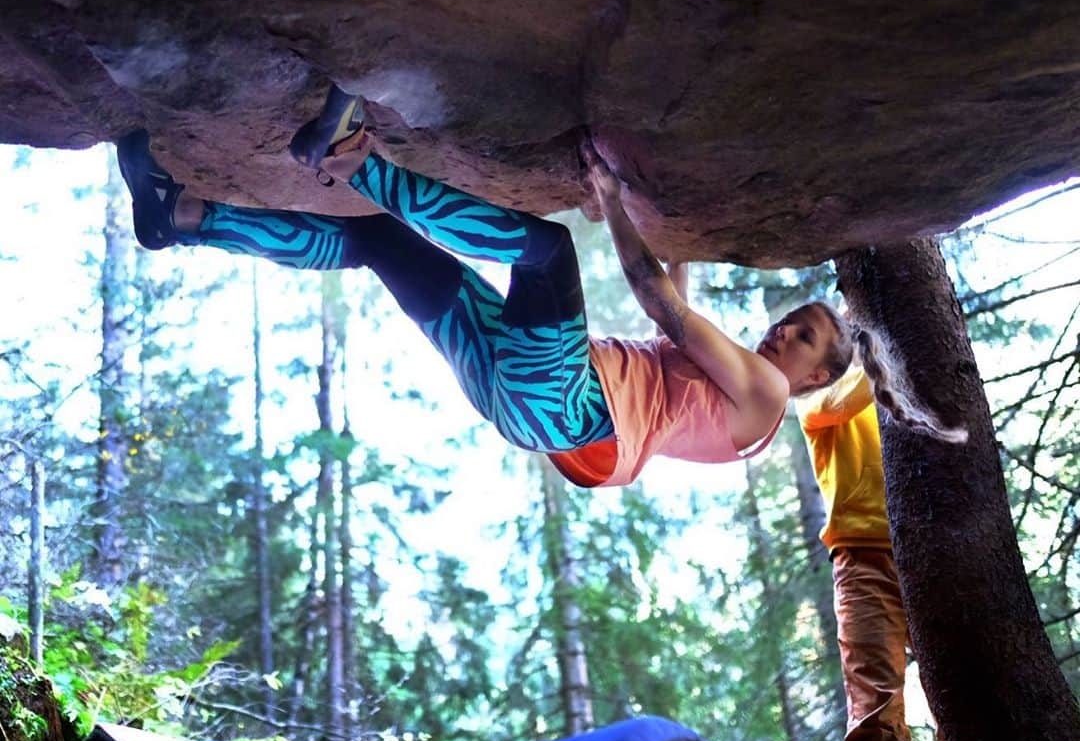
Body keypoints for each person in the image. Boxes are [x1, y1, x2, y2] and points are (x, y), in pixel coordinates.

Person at [116, 85, 964, 488]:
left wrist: (610, 202)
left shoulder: (769, 395)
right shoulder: (734, 393)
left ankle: (347, 156)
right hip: (526, 402)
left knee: (548, 254)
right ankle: (182, 217)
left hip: (568, 406)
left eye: (809, 335)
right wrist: (666, 224)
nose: (789, 332)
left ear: (818, 378)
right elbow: (682, 301)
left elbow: (661, 302)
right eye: (796, 319)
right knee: (383, 249)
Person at [797, 366, 957, 741]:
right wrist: (879, 343)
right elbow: (840, 399)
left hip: (930, 552)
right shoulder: (814, 396)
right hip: (862, 562)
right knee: (875, 708)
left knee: (958, 693)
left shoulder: (908, 393)